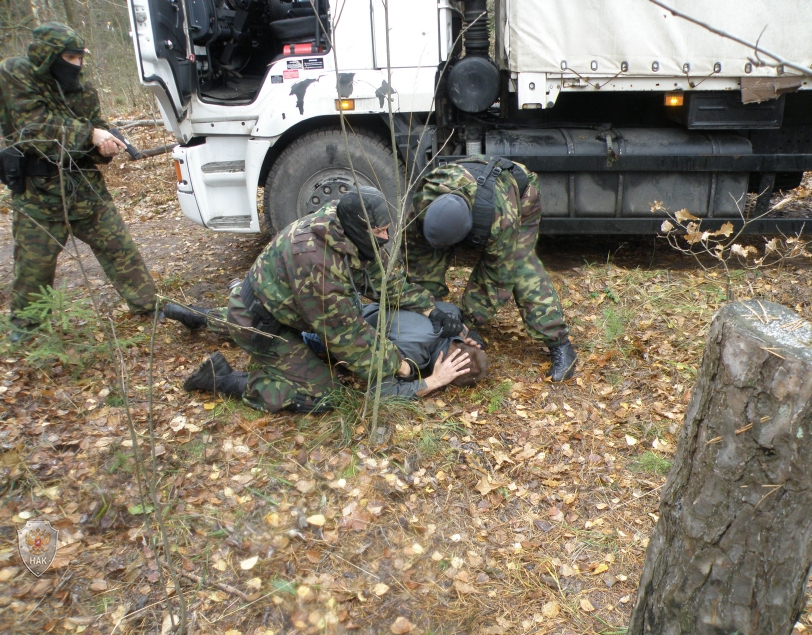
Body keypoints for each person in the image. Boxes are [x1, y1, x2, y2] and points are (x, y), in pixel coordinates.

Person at [164, 186, 473, 412]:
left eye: (388, 229)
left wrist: (431, 309)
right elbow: (348, 339)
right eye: (380, 231)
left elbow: (385, 281)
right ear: (361, 228)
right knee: (325, 396)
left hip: (277, 302)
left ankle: (200, 316)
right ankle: (227, 379)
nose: (386, 237)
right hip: (265, 323)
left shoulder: (343, 224)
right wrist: (402, 368)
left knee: (250, 316)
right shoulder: (319, 266)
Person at [0, 23, 157, 342]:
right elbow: (32, 129)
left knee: (120, 250)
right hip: (37, 196)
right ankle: (25, 329)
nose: (77, 65)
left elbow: (96, 128)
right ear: (48, 56)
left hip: (85, 190)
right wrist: (90, 135)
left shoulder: (82, 89)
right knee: (34, 269)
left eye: (80, 57)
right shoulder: (16, 74)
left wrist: (105, 147)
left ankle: (149, 308)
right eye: (70, 57)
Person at [405, 156, 576, 381]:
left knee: (522, 268)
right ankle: (434, 330)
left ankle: (559, 343)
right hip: (468, 189)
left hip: (518, 196)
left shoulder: (499, 220)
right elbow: (416, 255)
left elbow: (495, 279)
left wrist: (465, 323)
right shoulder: (423, 202)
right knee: (423, 264)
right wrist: (432, 311)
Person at [302, 300, 489, 391]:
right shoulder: (411, 354)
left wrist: (472, 337)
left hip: (355, 306)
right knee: (306, 339)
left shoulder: (449, 317)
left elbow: (455, 315)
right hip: (334, 331)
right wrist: (434, 381)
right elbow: (383, 391)